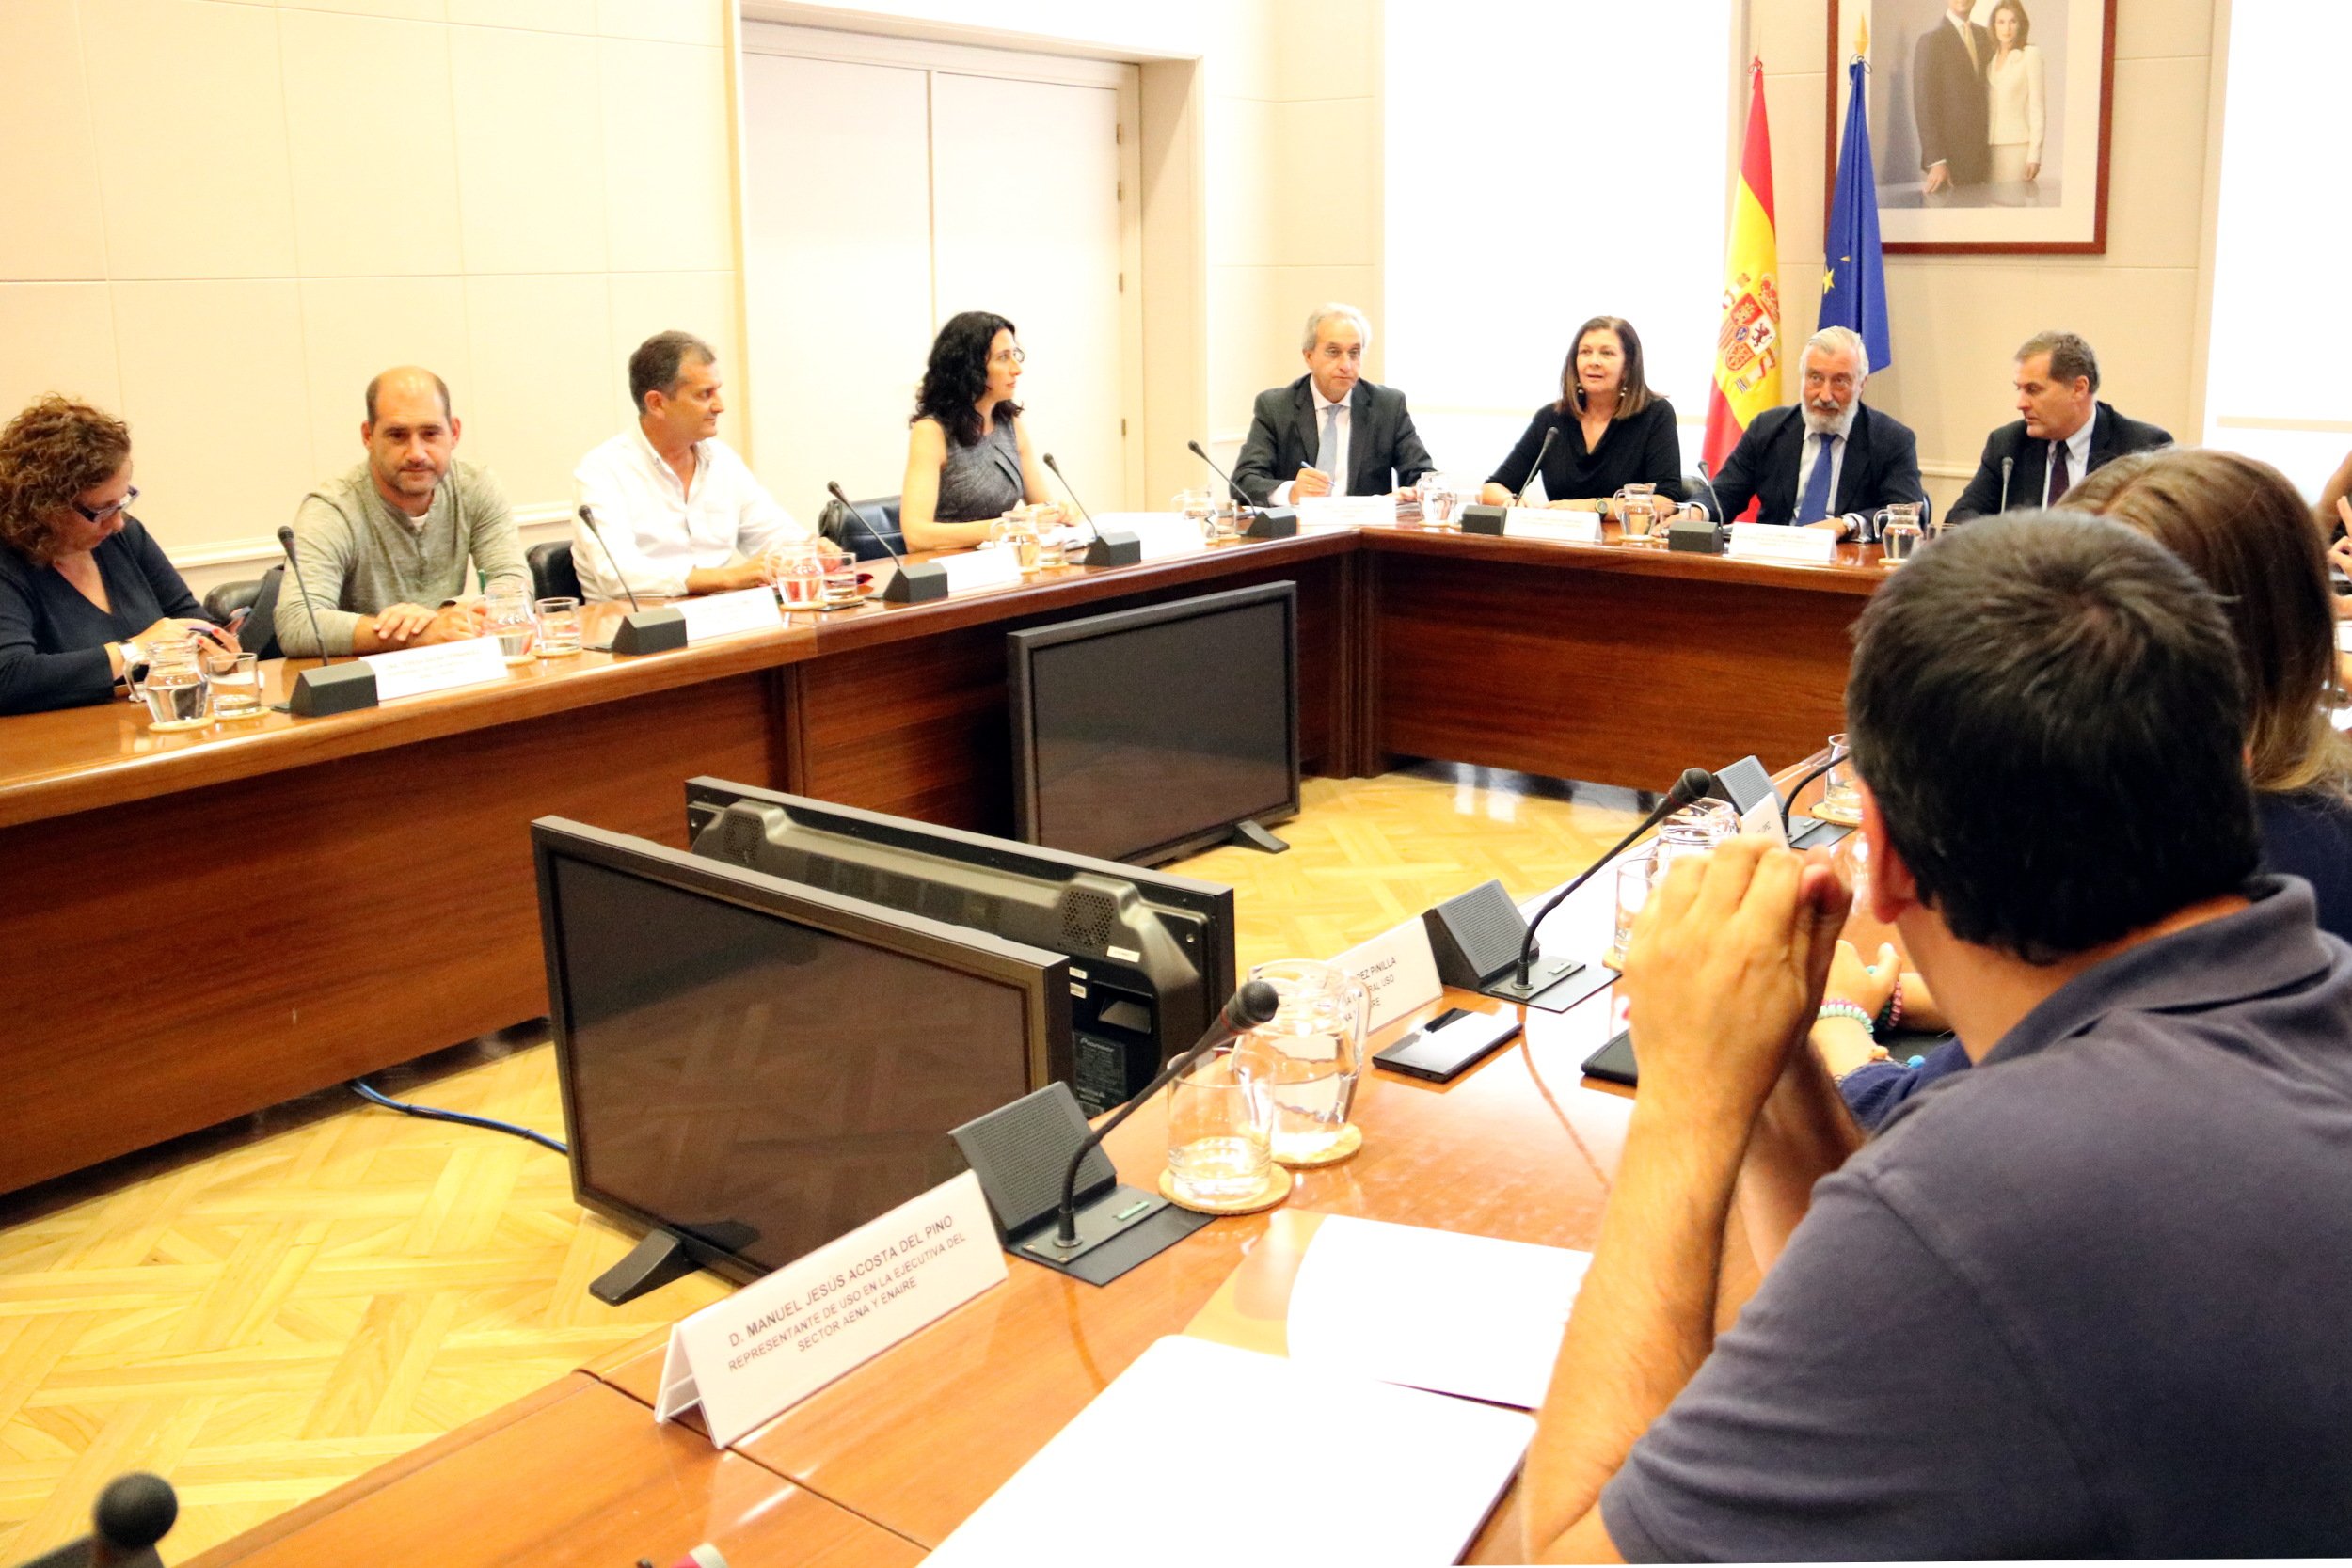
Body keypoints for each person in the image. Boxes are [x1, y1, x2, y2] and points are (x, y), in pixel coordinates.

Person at [1521, 513, 2352, 1560]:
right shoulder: (2302, 1004)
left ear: (1881, 857)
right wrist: (1768, 1053)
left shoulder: (1989, 1200)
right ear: (2228, 766)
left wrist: (1685, 1094)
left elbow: (1551, 1553)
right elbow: (1829, 1334)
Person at [1833, 448, 2352, 1128]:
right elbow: (2095, 1002)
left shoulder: (2205, 855)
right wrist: (1904, 996)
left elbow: (1915, 1128)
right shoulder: (2318, 806)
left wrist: (1831, 1018)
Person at [0, 396, 231, 715]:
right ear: (45, 506)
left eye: (122, 501)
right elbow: (10, 677)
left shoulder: (124, 538)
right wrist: (135, 650)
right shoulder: (8, 560)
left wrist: (214, 645)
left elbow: (192, 623)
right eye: (101, 509)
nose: (118, 522)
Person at [277, 368, 526, 657]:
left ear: (454, 432)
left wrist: (458, 614)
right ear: (368, 436)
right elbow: (298, 622)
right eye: (397, 435)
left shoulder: (475, 485)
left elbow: (513, 583)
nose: (417, 453)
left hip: (456, 671)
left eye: (430, 434)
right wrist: (416, 635)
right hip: (364, 685)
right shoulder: (333, 508)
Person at [573, 332, 806, 602]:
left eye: (717, 390)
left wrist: (809, 551)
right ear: (657, 403)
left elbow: (773, 534)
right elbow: (618, 574)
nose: (720, 406)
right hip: (636, 630)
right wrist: (729, 578)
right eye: (705, 394)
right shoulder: (602, 471)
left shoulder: (722, 461)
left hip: (721, 620)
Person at [1691, 325, 1923, 534]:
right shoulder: (1767, 428)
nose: (1825, 395)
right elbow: (1723, 494)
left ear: (1861, 385)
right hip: (1775, 563)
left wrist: (1847, 524)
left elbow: (1907, 513)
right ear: (1802, 378)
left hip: (1847, 565)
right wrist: (1695, 513)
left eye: (1840, 381)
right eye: (1815, 378)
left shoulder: (1891, 440)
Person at [1947, 330, 2171, 518]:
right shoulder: (2008, 445)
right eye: (2020, 389)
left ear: (2078, 388)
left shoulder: (2142, 448)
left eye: (2033, 390)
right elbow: (1961, 516)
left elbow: (2160, 534)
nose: (2021, 404)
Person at [1232, 304, 1435, 508]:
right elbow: (1244, 481)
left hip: (1364, 531)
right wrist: (1291, 491)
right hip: (1298, 533)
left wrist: (1414, 492)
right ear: (1309, 356)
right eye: (1333, 352)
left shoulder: (1388, 407)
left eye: (1354, 353)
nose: (1346, 365)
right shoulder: (1276, 408)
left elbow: (1424, 475)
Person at [1478, 317, 1683, 515]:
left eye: (1607, 353)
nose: (1594, 361)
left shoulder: (1655, 414)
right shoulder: (1552, 419)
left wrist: (1591, 507)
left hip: (1625, 544)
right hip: (1563, 543)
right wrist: (1509, 500)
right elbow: (1492, 487)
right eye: (1585, 352)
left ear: (1627, 367)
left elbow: (1665, 501)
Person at [898, 311, 1060, 552]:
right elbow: (916, 535)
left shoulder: (1010, 425)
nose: (1017, 369)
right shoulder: (931, 432)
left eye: (1015, 355)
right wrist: (1004, 527)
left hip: (1004, 565)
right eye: (1003, 358)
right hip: (951, 573)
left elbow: (1042, 509)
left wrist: (1060, 512)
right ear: (970, 368)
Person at [1914, 0, 1993, 194]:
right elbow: (1924, 104)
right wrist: (1937, 161)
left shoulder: (1986, 37)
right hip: (1950, 162)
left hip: (1984, 159)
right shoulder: (1931, 40)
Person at [1984, 0, 2045, 184]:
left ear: (2021, 24)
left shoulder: (2030, 55)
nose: (2007, 28)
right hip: (1988, 147)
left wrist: (2034, 155)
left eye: (2013, 21)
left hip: (2016, 146)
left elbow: (2037, 109)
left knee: (2012, 203)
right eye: (2001, 22)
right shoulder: (1989, 59)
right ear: (1994, 25)